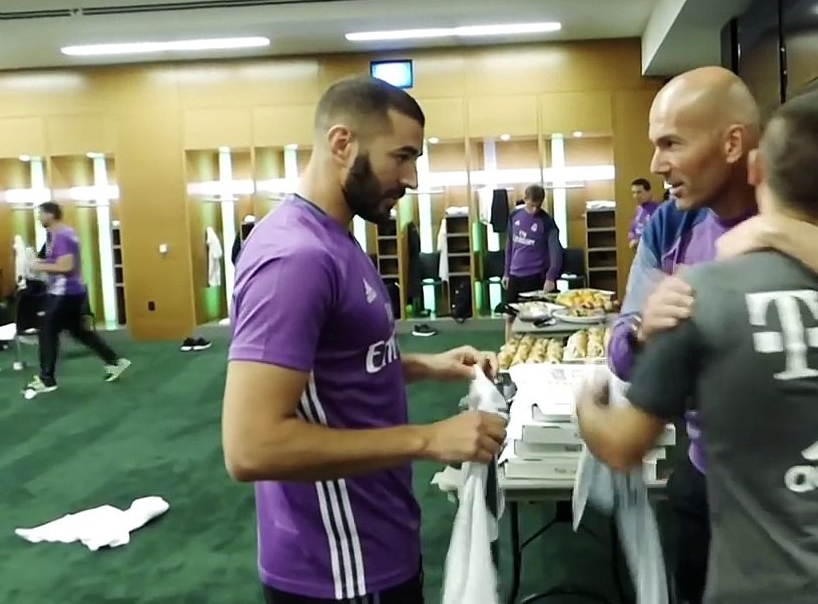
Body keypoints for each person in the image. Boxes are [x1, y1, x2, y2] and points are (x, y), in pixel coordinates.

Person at [608, 67, 818, 603]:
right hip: (713, 485)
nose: (657, 165)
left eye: (671, 143)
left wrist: (778, 230)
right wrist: (640, 334)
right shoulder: (669, 225)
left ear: (734, 146)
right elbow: (622, 351)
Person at [221, 76, 508, 604]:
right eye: (401, 157)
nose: (413, 179)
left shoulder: (335, 238)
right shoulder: (295, 259)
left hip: (377, 539)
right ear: (341, 143)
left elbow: (337, 364)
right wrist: (428, 439)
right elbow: (250, 446)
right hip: (337, 566)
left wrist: (425, 365)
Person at [23, 201, 131, 396]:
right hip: (70, 292)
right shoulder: (57, 235)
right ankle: (115, 362)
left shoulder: (63, 236)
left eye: (40, 214)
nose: (38, 218)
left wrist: (38, 266)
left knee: (47, 331)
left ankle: (47, 379)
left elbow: (66, 266)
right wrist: (41, 262)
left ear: (50, 215)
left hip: (63, 294)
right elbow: (58, 262)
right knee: (79, 331)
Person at [501, 183, 563, 338]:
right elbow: (509, 246)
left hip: (536, 276)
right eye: (531, 205)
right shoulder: (514, 216)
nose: (535, 209)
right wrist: (506, 273)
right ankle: (509, 351)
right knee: (509, 316)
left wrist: (551, 277)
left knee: (536, 319)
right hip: (515, 275)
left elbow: (556, 252)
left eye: (538, 206)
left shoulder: (547, 222)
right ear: (524, 200)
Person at [628, 178, 660, 249]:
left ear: (649, 192)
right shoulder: (638, 209)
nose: (636, 196)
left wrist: (639, 241)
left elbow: (659, 234)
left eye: (639, 192)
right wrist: (632, 239)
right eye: (633, 192)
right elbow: (632, 229)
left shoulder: (658, 210)